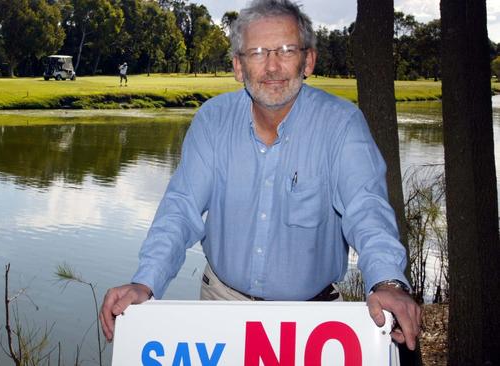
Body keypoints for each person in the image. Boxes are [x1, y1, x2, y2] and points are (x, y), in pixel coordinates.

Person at [100, 0, 421, 351]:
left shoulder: (342, 126)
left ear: (308, 61)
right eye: (256, 53)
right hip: (221, 307)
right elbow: (181, 208)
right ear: (239, 66)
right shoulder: (212, 122)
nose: (271, 66)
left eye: (285, 50)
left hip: (312, 323)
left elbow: (367, 210)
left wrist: (388, 281)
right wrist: (145, 283)